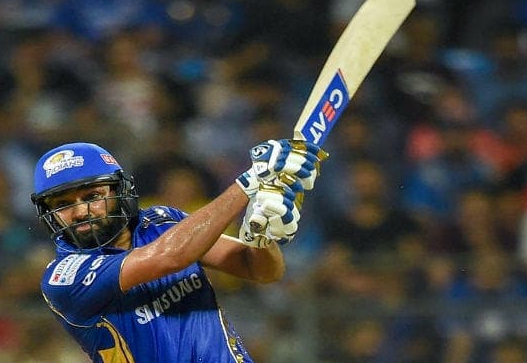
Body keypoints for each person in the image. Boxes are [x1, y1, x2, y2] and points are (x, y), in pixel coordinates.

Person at [30, 139, 325, 362]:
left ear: (119, 191)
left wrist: (261, 237)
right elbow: (169, 257)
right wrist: (251, 181)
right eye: (63, 204)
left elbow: (261, 270)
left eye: (93, 196)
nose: (80, 212)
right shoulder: (64, 277)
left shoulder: (163, 220)